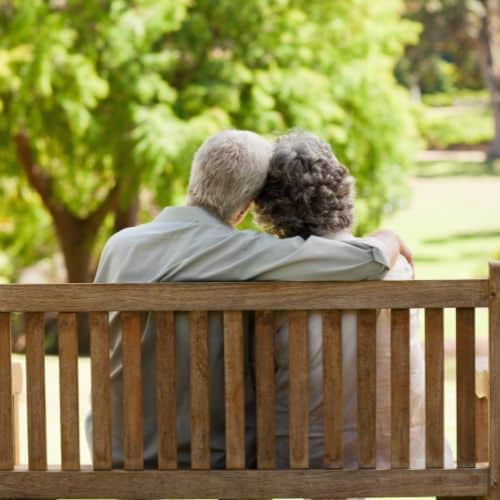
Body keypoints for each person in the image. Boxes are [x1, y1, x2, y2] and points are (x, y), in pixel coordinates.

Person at [85, 129, 411, 469]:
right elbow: (368, 260)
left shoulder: (119, 246)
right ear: (243, 209)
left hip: (114, 453)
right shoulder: (235, 252)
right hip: (207, 458)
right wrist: (389, 236)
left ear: (194, 179)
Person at [254, 130, 433, 469]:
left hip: (290, 454)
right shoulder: (398, 268)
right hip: (395, 452)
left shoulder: (268, 276)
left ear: (269, 208)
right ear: (342, 191)